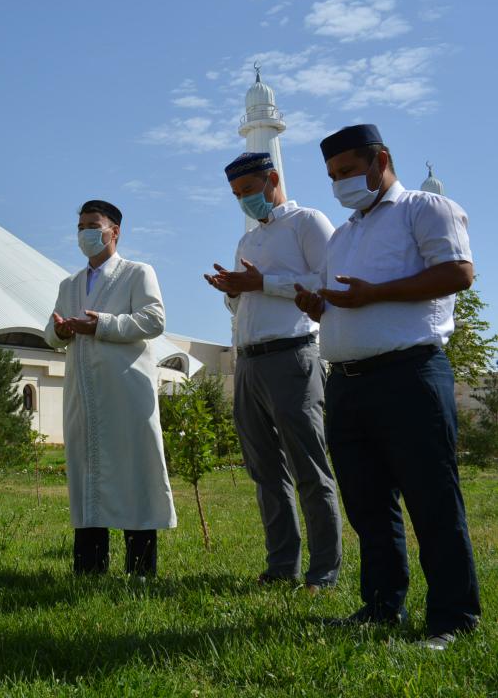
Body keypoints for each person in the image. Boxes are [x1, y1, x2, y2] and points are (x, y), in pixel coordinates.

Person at [294, 124, 481, 651]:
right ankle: (382, 606)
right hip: (348, 383)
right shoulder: (345, 232)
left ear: (381, 161)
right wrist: (318, 306)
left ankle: (452, 617)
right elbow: (343, 300)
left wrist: (376, 294)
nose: (340, 184)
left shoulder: (425, 209)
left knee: (432, 499)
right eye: (333, 176)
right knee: (368, 503)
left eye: (349, 172)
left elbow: (459, 273)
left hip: (409, 374)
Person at [204, 152, 343, 592]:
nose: (244, 201)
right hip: (249, 358)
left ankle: (324, 570)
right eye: (236, 195)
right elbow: (247, 300)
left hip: (294, 354)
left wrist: (261, 283)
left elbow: (329, 282)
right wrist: (233, 290)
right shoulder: (248, 242)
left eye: (248, 191)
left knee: (308, 466)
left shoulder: (308, 222)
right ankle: (283, 563)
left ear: (273, 179)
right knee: (265, 470)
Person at [45, 199, 177, 577]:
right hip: (84, 396)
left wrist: (101, 324)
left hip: (126, 395)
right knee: (88, 475)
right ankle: (90, 568)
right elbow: (50, 334)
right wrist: (60, 330)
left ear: (114, 231)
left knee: (134, 473)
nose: (86, 233)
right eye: (81, 226)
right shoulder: (69, 284)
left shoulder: (137, 273)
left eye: (93, 225)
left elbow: (154, 320)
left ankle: (140, 568)